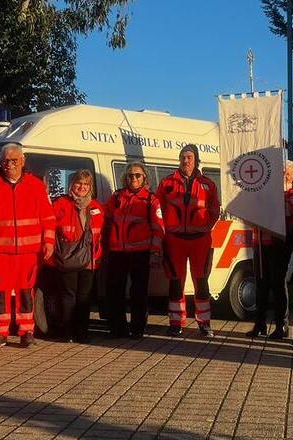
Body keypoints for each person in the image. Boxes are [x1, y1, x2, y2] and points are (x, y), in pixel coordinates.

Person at [0, 144, 55, 349]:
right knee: (0, 292)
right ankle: (0, 333)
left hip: (29, 253)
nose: (10, 165)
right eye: (6, 161)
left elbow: (48, 218)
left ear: (23, 161)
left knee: (26, 292)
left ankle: (26, 332)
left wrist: (49, 242)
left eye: (14, 161)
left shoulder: (36, 186)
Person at [158, 145, 221, 338]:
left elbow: (214, 210)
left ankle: (204, 323)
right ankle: (176, 322)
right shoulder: (167, 183)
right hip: (175, 239)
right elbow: (157, 208)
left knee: (201, 282)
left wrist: (204, 228)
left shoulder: (208, 184)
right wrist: (165, 229)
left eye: (190, 158)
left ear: (196, 160)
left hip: (200, 240)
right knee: (176, 282)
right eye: (183, 158)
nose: (186, 161)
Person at [104, 163, 164, 339]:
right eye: (130, 175)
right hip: (117, 251)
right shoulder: (116, 197)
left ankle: (137, 329)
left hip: (140, 252)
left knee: (138, 293)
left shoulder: (151, 200)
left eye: (138, 175)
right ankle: (117, 329)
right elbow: (103, 215)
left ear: (144, 177)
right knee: (115, 291)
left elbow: (158, 228)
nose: (134, 179)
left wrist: (155, 251)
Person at [46, 169, 104, 343]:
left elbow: (101, 234)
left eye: (86, 184)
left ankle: (82, 332)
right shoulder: (61, 204)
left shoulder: (96, 207)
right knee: (68, 296)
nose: (82, 187)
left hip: (90, 260)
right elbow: (50, 227)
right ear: (72, 184)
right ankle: (67, 331)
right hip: (68, 258)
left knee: (84, 298)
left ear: (90, 187)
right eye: (79, 183)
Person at [247, 160, 293, 339]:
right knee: (261, 283)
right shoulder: (265, 194)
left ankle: (282, 326)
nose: (283, 176)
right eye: (281, 173)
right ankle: (260, 324)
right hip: (260, 243)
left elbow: (287, 212)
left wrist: (272, 199)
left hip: (279, 244)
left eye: (287, 173)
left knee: (278, 284)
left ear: (292, 177)